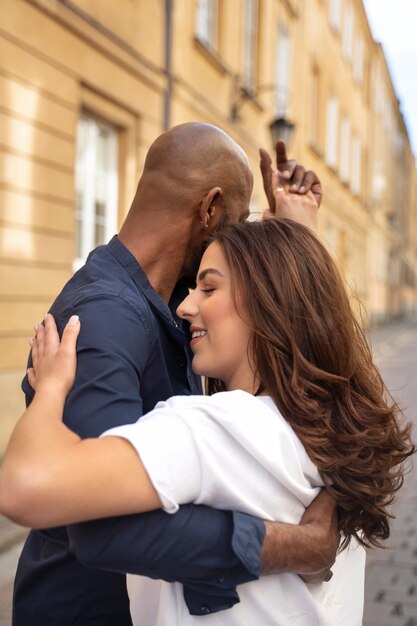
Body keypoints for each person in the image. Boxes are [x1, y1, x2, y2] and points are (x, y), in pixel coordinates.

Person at [1, 214, 413, 625]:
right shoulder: (334, 433)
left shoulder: (216, 429)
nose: (185, 306)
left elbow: (23, 487)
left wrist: (51, 391)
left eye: (209, 287)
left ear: (271, 301)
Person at [7, 122, 338, 626]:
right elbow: (105, 529)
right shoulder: (105, 317)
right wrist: (298, 547)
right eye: (235, 222)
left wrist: (287, 244)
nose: (236, 237)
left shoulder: (170, 305)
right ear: (208, 209)